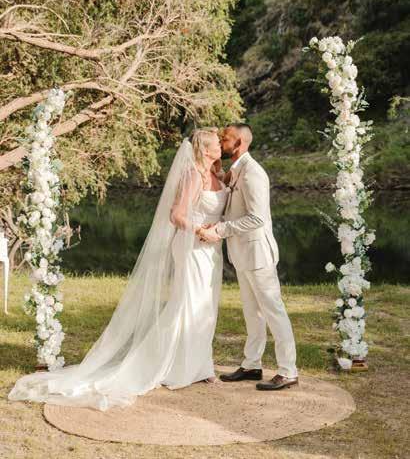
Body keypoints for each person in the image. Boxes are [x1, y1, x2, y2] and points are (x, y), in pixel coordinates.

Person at [8, 128, 228, 411]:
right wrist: (199, 229)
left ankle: (199, 365)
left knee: (205, 306)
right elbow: (176, 215)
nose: (221, 146)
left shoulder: (217, 175)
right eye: (217, 144)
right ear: (205, 149)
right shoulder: (193, 176)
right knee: (187, 304)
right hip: (192, 247)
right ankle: (173, 365)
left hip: (211, 250)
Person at [199, 123, 298, 390]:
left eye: (227, 138)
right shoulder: (236, 170)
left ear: (240, 142)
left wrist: (219, 230)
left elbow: (256, 218)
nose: (222, 141)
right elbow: (235, 208)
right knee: (252, 313)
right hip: (243, 254)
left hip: (258, 254)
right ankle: (252, 365)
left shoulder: (253, 173)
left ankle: (288, 371)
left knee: (274, 311)